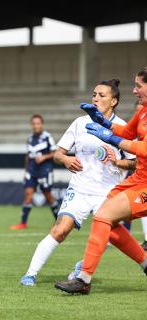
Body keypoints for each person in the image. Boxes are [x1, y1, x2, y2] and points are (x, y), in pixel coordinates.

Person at [19, 79, 135, 286]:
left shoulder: (124, 127)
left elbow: (134, 163)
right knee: (60, 229)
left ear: (114, 101)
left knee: (112, 237)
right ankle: (30, 274)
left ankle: (83, 267)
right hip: (80, 188)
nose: (96, 98)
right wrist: (66, 159)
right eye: (94, 94)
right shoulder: (79, 123)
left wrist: (118, 161)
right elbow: (58, 154)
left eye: (102, 95)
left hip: (108, 193)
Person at [55, 67, 147, 294]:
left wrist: (111, 138)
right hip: (138, 178)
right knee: (108, 220)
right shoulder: (144, 111)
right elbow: (127, 132)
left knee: (104, 216)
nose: (134, 91)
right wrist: (104, 123)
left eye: (139, 86)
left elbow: (142, 148)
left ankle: (83, 279)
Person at [11, 115, 59, 230]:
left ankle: (59, 221)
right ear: (31, 125)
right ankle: (23, 223)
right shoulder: (30, 138)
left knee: (48, 196)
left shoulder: (48, 137)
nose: (36, 125)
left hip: (45, 170)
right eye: (34, 123)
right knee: (28, 194)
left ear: (42, 124)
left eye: (38, 123)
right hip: (32, 171)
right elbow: (28, 156)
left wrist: (44, 157)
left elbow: (56, 153)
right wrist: (25, 170)